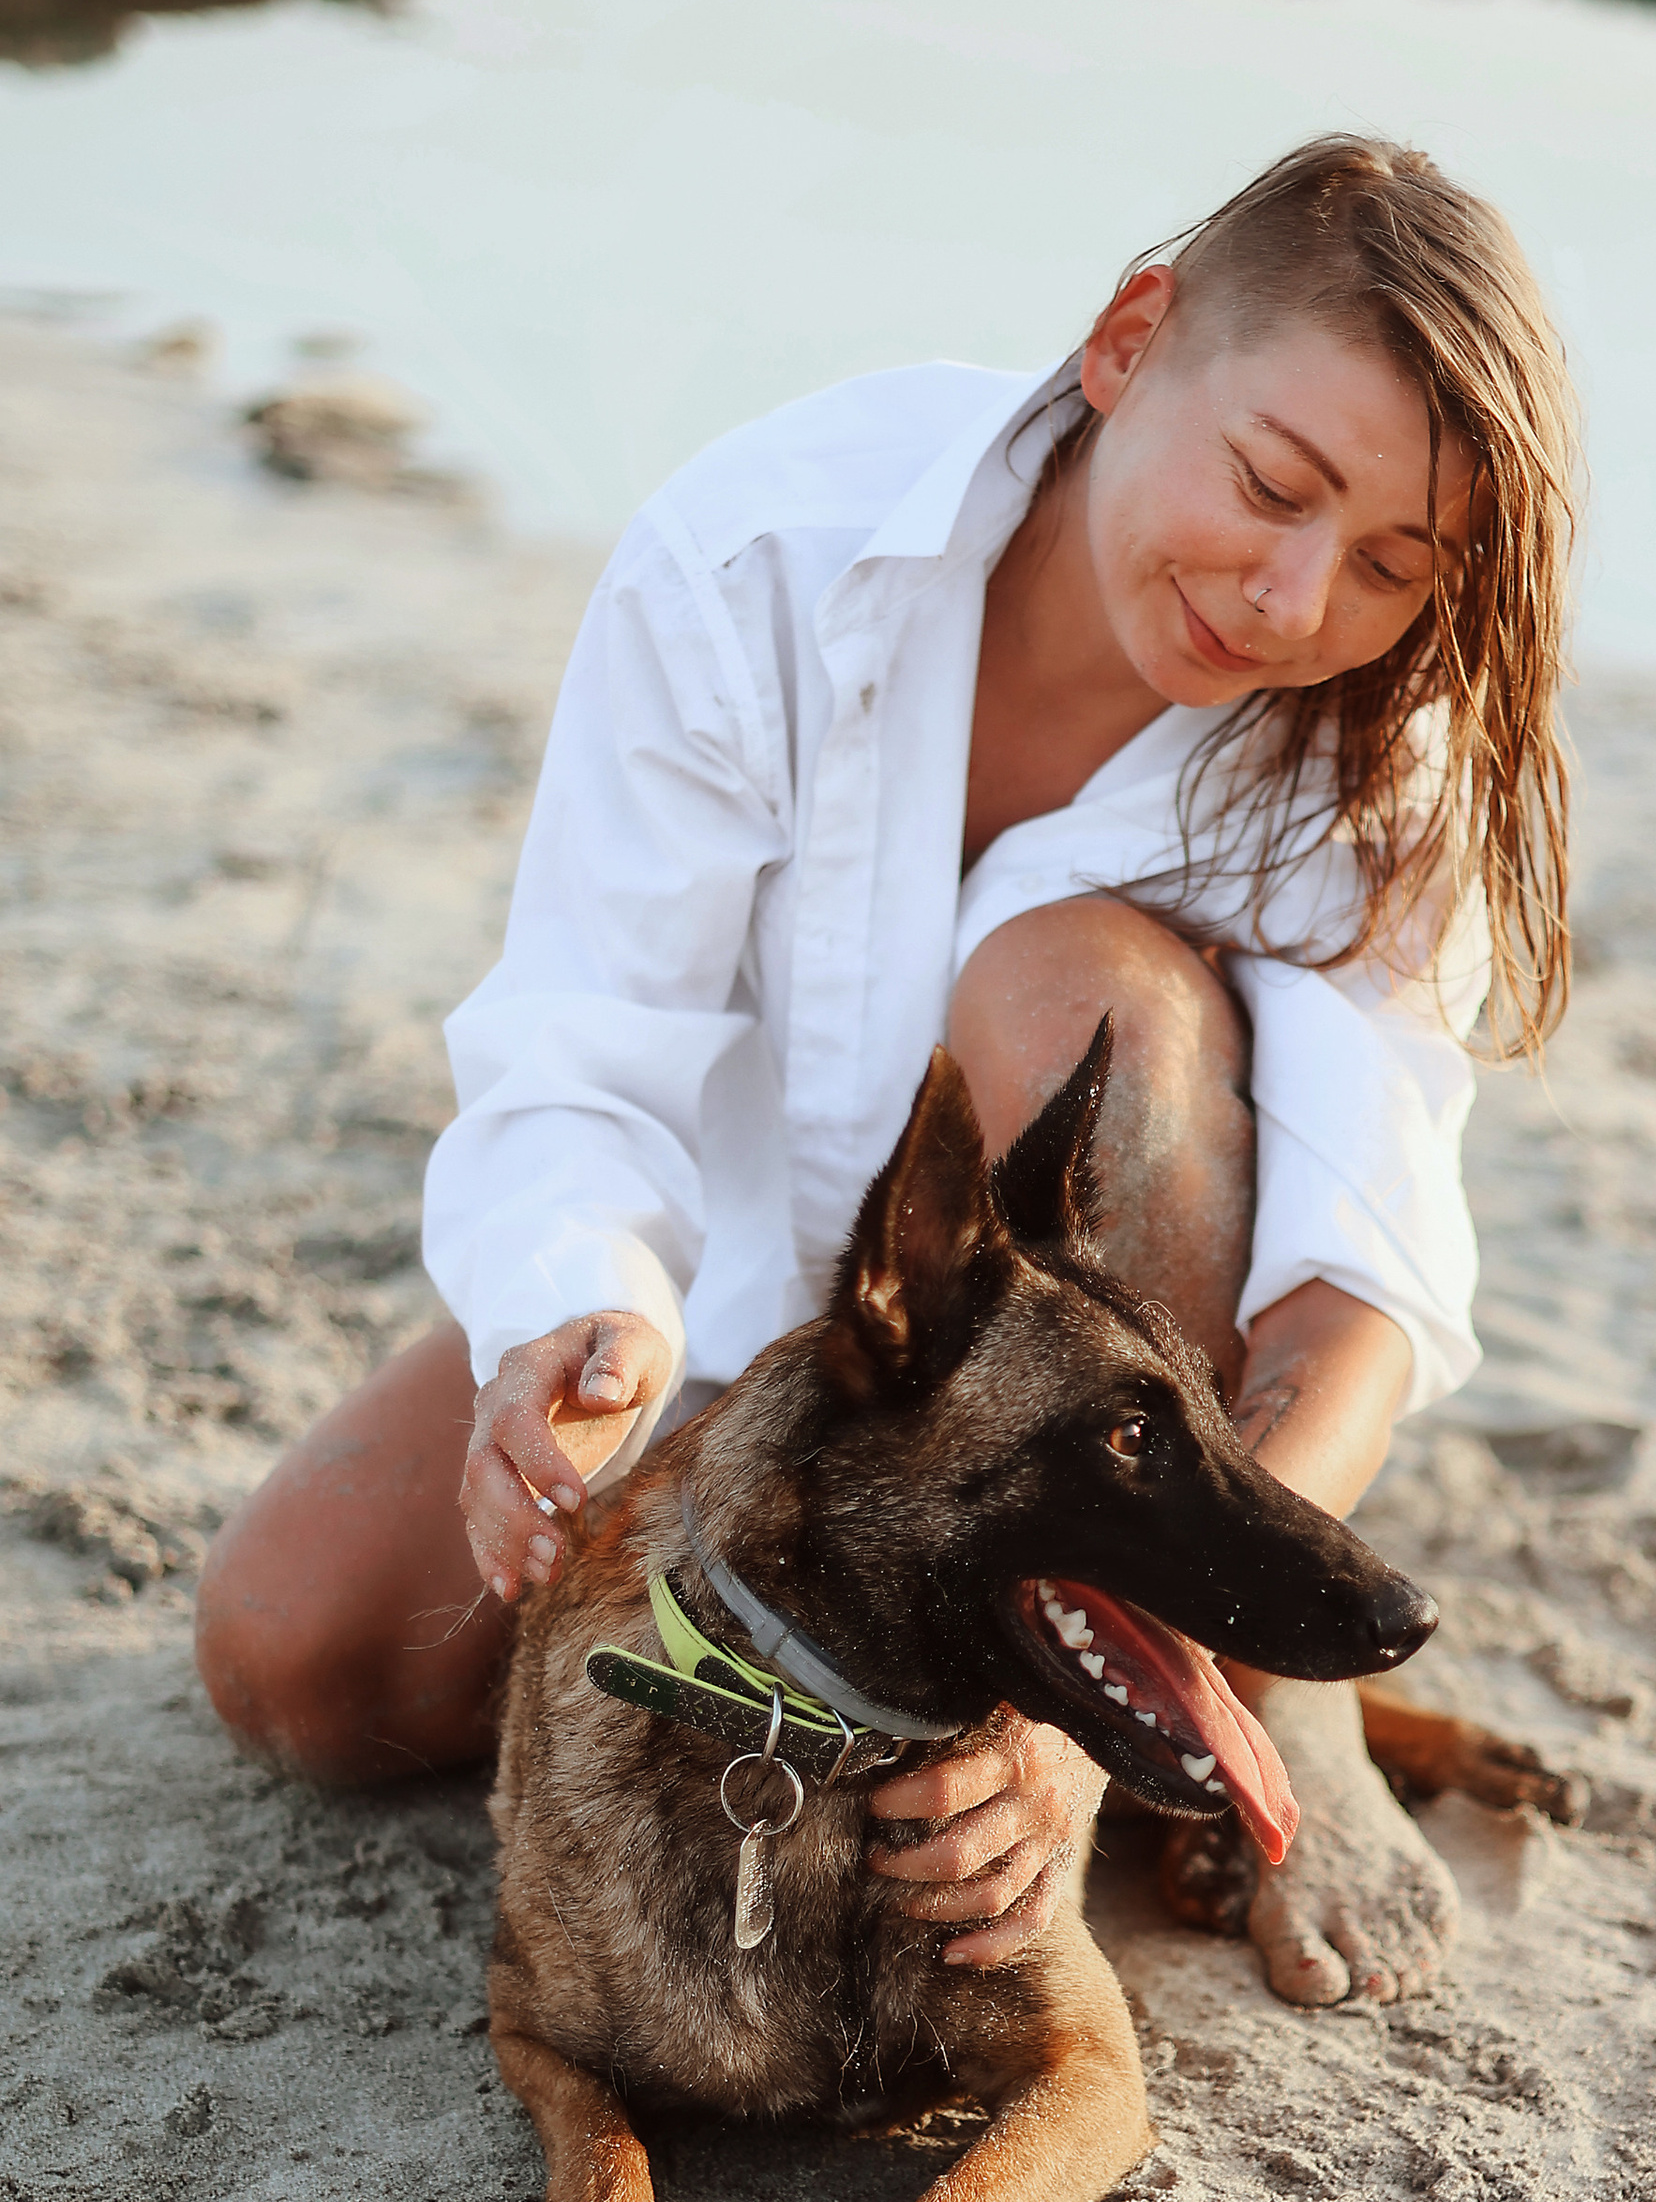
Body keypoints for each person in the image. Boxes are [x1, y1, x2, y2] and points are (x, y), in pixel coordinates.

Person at [194, 134, 1578, 2010]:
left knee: (1069, 990)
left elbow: (1356, 1297)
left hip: (1149, 1426)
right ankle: (1107, 1671)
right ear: (1128, 339)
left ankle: (1250, 1696)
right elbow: (588, 1037)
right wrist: (572, 1327)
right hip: (776, 1328)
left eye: (1391, 566)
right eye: (1272, 485)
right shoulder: (765, 550)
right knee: (301, 1658)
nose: (1290, 597)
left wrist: (1088, 1718)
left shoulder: (1374, 748)